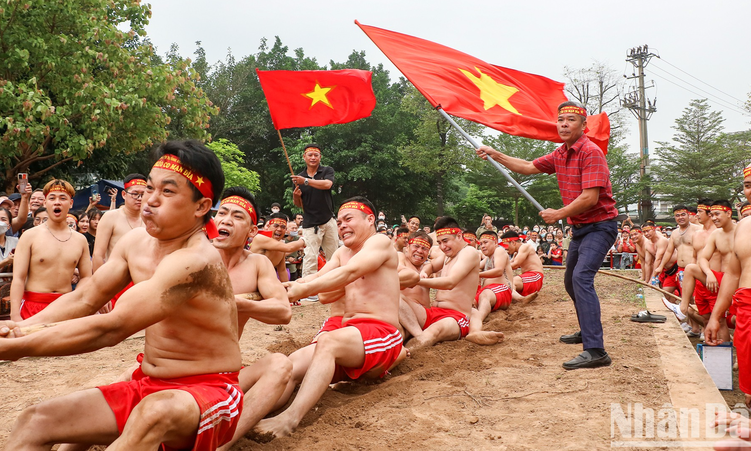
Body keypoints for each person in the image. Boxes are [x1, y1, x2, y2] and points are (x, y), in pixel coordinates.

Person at [0, 140, 245, 450]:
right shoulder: (135, 243)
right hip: (149, 385)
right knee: (34, 421)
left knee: (152, 414)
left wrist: (17, 348)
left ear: (201, 206)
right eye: (149, 188)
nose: (150, 201)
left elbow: (111, 327)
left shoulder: (196, 261)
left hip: (211, 390)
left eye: (167, 192)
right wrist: (19, 328)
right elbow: (85, 297)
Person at [477, 100, 618, 370]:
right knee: (570, 281)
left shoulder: (591, 152)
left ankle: (596, 350)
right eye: (560, 120)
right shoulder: (560, 154)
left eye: (571, 120)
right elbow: (528, 166)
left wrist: (559, 213)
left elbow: (590, 198)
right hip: (580, 228)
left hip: (600, 225)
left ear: (583, 125)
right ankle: (587, 330)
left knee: (581, 278)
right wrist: (496, 154)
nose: (564, 124)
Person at [253, 197, 404, 439]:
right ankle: (248, 415)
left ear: (370, 219)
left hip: (381, 333)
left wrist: (303, 291)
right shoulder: (343, 251)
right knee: (291, 365)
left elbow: (350, 272)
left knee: (328, 342)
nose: (342, 225)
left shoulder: (380, 242)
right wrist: (285, 287)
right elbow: (312, 278)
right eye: (340, 221)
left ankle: (290, 418)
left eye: (349, 219)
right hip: (349, 335)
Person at [211, 186, 294, 451]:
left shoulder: (258, 264)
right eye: (222, 213)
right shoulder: (195, 256)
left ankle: (222, 445)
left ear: (252, 230)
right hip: (175, 367)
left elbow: (284, 311)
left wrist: (236, 302)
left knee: (280, 365)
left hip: (222, 373)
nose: (225, 219)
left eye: (237, 216)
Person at [404, 217, 505, 350]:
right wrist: (424, 272)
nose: (442, 246)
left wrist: (417, 280)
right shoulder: (448, 255)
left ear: (458, 236)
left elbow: (450, 282)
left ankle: (405, 353)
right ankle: (416, 334)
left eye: (445, 241)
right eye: (439, 242)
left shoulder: (469, 252)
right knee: (396, 298)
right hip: (433, 312)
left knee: (433, 333)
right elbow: (432, 265)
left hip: (455, 316)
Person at [9, 179, 92, 321]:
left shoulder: (80, 240)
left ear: (71, 203)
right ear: (45, 203)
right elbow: (18, 278)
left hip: (65, 306)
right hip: (33, 305)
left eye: (62, 198)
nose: (57, 202)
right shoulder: (30, 236)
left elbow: (86, 277)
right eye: (52, 198)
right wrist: (15, 313)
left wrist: (75, 298)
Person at [679, 200, 736, 343]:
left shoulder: (741, 231)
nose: (714, 217)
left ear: (728, 213)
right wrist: (709, 273)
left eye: (717, 214)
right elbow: (703, 257)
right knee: (709, 318)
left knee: (725, 320)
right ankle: (682, 308)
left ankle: (682, 309)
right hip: (718, 278)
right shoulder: (716, 234)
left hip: (736, 280)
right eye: (712, 214)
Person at [468, 231, 537, 339]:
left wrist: (477, 274)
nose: (482, 246)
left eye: (485, 242)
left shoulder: (499, 251)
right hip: (489, 292)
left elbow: (499, 271)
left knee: (485, 294)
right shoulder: (487, 258)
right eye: (480, 244)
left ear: (495, 242)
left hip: (502, 290)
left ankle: (478, 322)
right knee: (468, 302)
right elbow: (474, 268)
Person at [291, 144, 339, 287]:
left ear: (320, 157)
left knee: (334, 255)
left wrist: (305, 181)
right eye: (310, 155)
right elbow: (299, 204)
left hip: (328, 219)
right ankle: (308, 289)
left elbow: (327, 185)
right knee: (310, 257)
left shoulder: (326, 171)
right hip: (310, 222)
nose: (313, 157)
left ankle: (335, 286)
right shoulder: (297, 177)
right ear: (304, 157)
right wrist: (296, 196)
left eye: (316, 155)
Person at [91, 174, 147, 272]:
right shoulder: (111, 217)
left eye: (143, 194)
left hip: (142, 277)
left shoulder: (150, 219)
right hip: (116, 277)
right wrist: (99, 283)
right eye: (135, 194)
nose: (139, 198)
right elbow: (98, 255)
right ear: (124, 195)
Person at [249, 213, 306, 283]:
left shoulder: (281, 247)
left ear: (286, 230)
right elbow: (289, 247)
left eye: (283, 227)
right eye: (276, 226)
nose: (279, 229)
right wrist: (304, 240)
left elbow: (282, 271)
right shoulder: (260, 238)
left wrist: (287, 287)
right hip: (249, 279)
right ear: (268, 227)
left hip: (265, 282)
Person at [397, 231, 433, 339]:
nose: (420, 251)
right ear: (407, 247)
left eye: (424, 248)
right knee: (398, 330)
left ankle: (420, 336)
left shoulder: (428, 266)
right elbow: (398, 267)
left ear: (428, 252)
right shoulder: (401, 257)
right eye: (416, 246)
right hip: (402, 314)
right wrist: (417, 275)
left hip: (423, 315)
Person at [501, 230, 545, 296]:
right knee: (505, 283)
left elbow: (515, 265)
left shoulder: (525, 247)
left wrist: (498, 268)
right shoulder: (517, 253)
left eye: (506, 246)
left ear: (513, 243)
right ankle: (516, 298)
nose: (506, 249)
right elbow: (509, 264)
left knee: (511, 282)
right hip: (528, 278)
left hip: (535, 276)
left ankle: (520, 299)